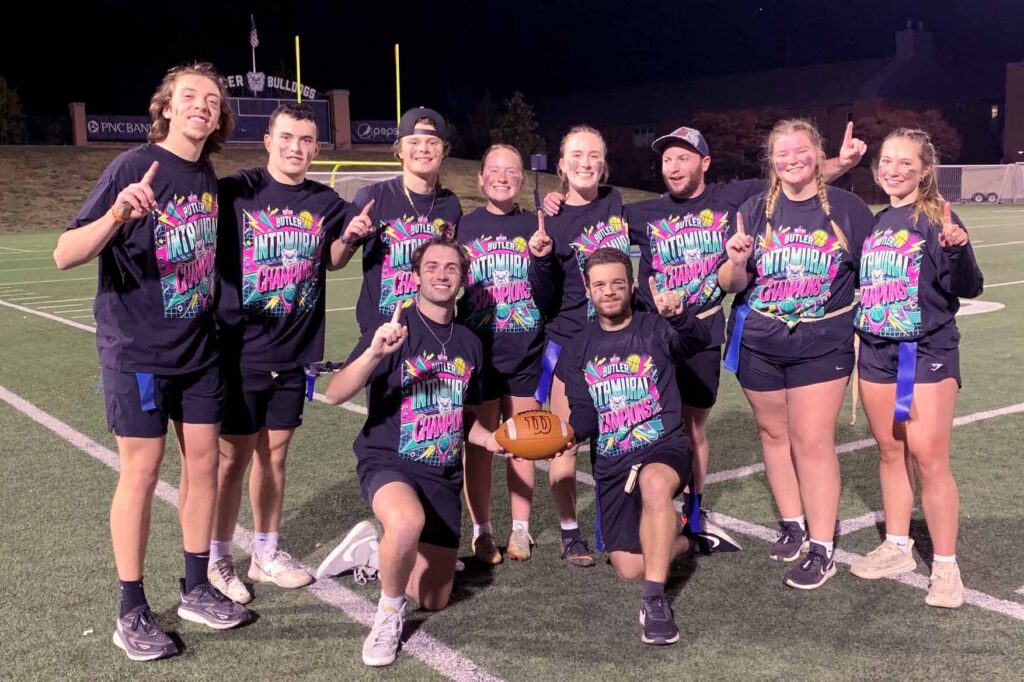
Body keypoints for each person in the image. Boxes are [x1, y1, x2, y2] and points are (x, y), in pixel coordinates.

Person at [547, 124, 865, 546]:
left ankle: (694, 509)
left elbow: (792, 172)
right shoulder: (639, 212)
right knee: (642, 421)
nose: (674, 166)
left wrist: (839, 163)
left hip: (702, 331)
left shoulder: (734, 198)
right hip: (652, 336)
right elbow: (588, 215)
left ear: (705, 163)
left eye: (684, 157)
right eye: (667, 159)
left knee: (693, 427)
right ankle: (638, 508)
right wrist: (558, 197)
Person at [53, 62, 249, 661]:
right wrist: (117, 215)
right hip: (137, 352)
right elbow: (65, 253)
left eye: (212, 100)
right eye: (190, 96)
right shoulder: (135, 166)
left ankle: (195, 587)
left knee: (205, 467)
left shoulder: (207, 175)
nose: (202, 106)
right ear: (166, 106)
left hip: (199, 351)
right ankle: (131, 607)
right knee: (142, 470)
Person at [316, 237, 517, 667]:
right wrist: (373, 352)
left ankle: (371, 549)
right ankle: (386, 618)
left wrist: (491, 439)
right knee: (407, 521)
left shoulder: (469, 343)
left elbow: (460, 414)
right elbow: (334, 395)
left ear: (462, 280)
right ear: (415, 276)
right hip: (391, 460)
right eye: (432, 267)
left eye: (451, 268)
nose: (441, 274)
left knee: (434, 597)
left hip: (442, 473)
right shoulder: (394, 329)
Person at [717, 118, 874, 589]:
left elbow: (877, 272)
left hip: (820, 344)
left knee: (812, 439)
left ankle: (823, 546)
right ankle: (793, 522)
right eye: (782, 153)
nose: (792, 160)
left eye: (801, 150)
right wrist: (738, 261)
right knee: (773, 432)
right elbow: (731, 285)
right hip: (758, 343)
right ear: (771, 161)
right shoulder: (752, 209)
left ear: (817, 152)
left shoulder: (849, 209)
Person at [208, 102, 354, 602]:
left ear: (316, 147)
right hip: (241, 350)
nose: (297, 148)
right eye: (288, 137)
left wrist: (351, 240)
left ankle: (265, 552)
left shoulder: (327, 200)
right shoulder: (237, 191)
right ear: (268, 141)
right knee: (232, 460)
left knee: (275, 456)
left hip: (294, 351)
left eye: (307, 140)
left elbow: (334, 257)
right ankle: (217, 557)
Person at [848, 128, 983, 608]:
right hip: (878, 351)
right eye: (887, 161)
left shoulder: (935, 217)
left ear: (925, 170)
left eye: (906, 163)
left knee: (929, 457)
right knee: (889, 450)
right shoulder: (880, 219)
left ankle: (946, 566)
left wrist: (956, 248)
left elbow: (969, 286)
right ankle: (898, 546)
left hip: (925, 352)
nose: (894, 169)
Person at [559, 247, 710, 645]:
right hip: (612, 461)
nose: (609, 292)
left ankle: (655, 601)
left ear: (630, 286)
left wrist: (679, 315)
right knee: (628, 566)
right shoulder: (577, 349)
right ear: (589, 291)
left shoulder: (655, 328)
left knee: (656, 484)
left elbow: (697, 341)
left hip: (662, 445)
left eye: (617, 284)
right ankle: (688, 539)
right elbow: (585, 414)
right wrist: (565, 436)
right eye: (600, 285)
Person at [537, 125, 631, 567]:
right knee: (565, 440)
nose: (585, 162)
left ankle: (614, 526)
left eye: (594, 154)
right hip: (571, 341)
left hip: (618, 339)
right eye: (576, 154)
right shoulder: (549, 217)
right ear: (561, 164)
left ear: (604, 163)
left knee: (616, 438)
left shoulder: (615, 201)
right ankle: (570, 533)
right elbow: (544, 294)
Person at [456, 144, 553, 563]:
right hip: (479, 351)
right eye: (493, 169)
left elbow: (549, 290)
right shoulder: (463, 226)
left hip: (527, 350)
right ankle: (481, 530)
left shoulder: (538, 224)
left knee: (524, 441)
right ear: (480, 177)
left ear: (520, 179)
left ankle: (520, 529)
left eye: (512, 171)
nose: (502, 177)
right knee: (479, 447)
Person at [341, 107, 463, 334]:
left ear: (444, 150)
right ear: (400, 150)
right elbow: (335, 262)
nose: (424, 149)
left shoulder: (451, 204)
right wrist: (348, 239)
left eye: (432, 143)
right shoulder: (372, 197)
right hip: (382, 331)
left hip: (435, 328)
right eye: (414, 142)